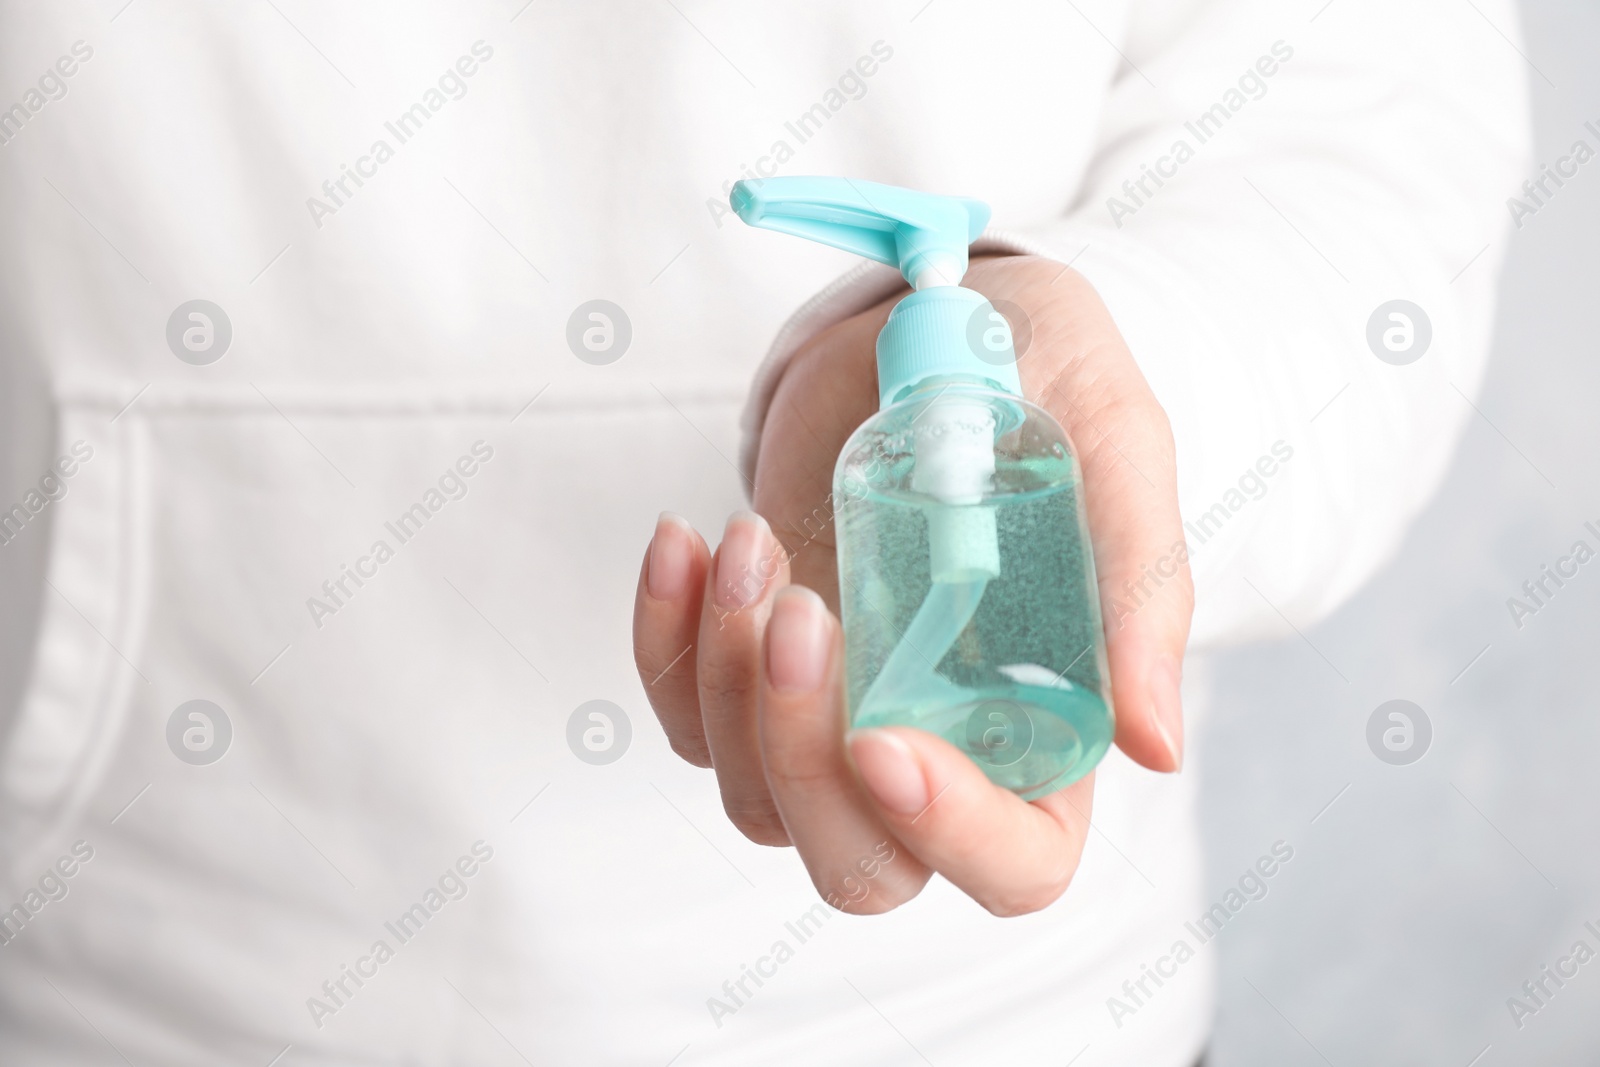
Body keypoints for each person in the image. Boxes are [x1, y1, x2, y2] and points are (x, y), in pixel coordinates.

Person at [0, 1, 1526, 1063]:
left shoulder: (953, 449)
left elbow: (1358, 121)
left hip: (1004, 1024)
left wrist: (1122, 375)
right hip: (149, 981)